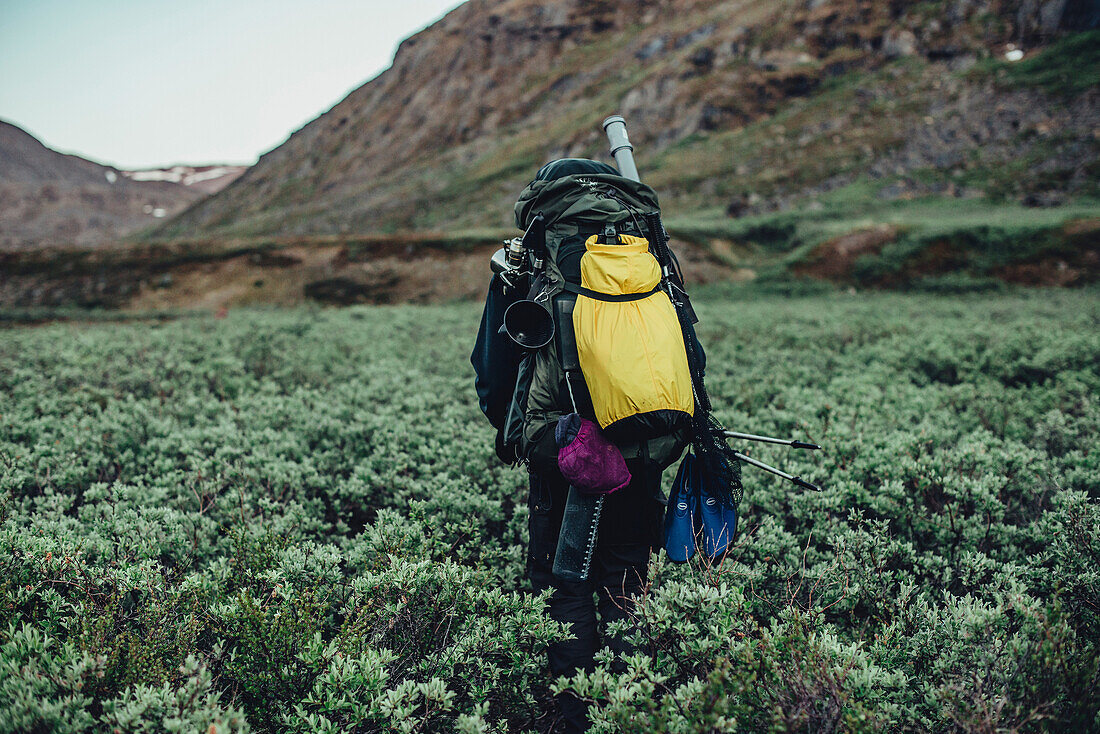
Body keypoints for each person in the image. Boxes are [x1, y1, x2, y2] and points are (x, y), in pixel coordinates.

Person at [474, 158, 691, 733]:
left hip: (564, 461)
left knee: (563, 586)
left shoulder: (533, 269)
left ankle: (576, 718)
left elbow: (495, 374)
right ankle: (631, 712)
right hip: (645, 451)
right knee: (626, 579)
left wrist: (522, 437)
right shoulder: (650, 263)